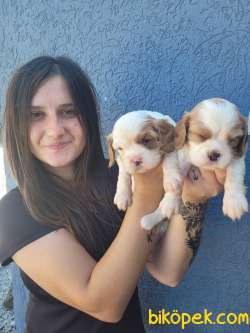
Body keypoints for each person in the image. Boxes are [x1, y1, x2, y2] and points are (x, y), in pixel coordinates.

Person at [0, 56, 224, 333]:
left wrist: (193, 199)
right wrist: (148, 191)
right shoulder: (14, 212)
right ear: (15, 124)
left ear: (88, 116)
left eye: (68, 111)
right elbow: (104, 304)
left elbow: (168, 271)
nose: (55, 130)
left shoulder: (116, 181)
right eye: (36, 115)